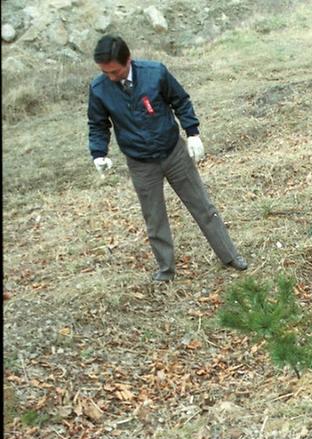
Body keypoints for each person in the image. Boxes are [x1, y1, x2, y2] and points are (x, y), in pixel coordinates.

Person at [87, 35, 247, 282]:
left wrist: (192, 132)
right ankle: (166, 270)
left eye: (115, 71)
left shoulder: (155, 73)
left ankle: (230, 255)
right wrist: (99, 152)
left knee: (202, 206)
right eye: (105, 72)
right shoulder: (100, 89)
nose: (111, 77)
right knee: (154, 218)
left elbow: (180, 101)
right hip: (140, 163)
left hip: (174, 153)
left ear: (128, 60)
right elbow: (98, 124)